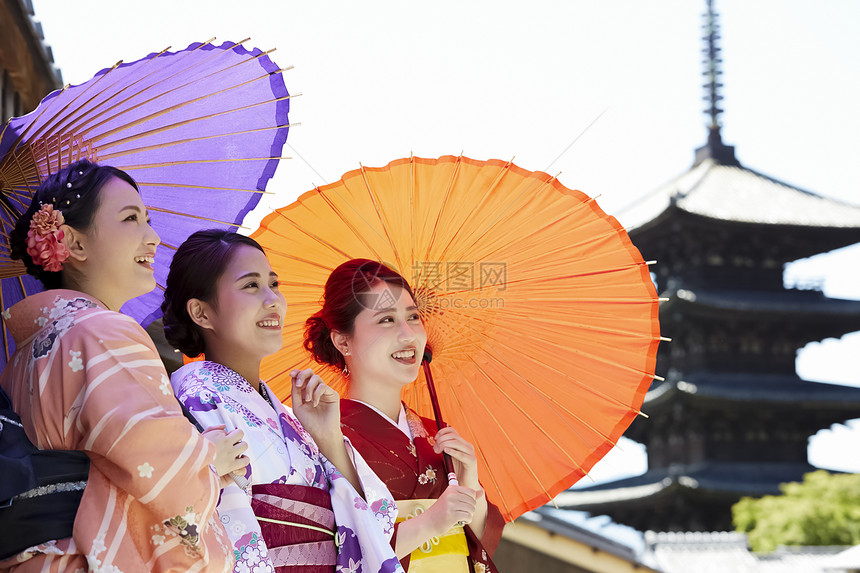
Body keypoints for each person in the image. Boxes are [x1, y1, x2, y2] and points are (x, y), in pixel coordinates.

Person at [0, 159, 244, 572]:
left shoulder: (22, 355)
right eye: (131, 219)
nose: (152, 237)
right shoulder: (103, 331)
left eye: (148, 219)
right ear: (74, 245)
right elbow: (154, 464)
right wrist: (208, 460)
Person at [162, 230, 404, 573]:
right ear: (201, 313)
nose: (273, 299)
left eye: (274, 284)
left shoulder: (291, 417)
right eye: (250, 286)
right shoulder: (192, 400)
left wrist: (328, 438)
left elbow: (377, 520)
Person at [303, 259, 504, 572]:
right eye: (386, 320)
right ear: (343, 341)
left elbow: (473, 545)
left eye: (413, 317)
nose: (409, 334)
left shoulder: (436, 433)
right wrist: (428, 523)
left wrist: (470, 485)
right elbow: (325, 549)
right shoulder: (323, 434)